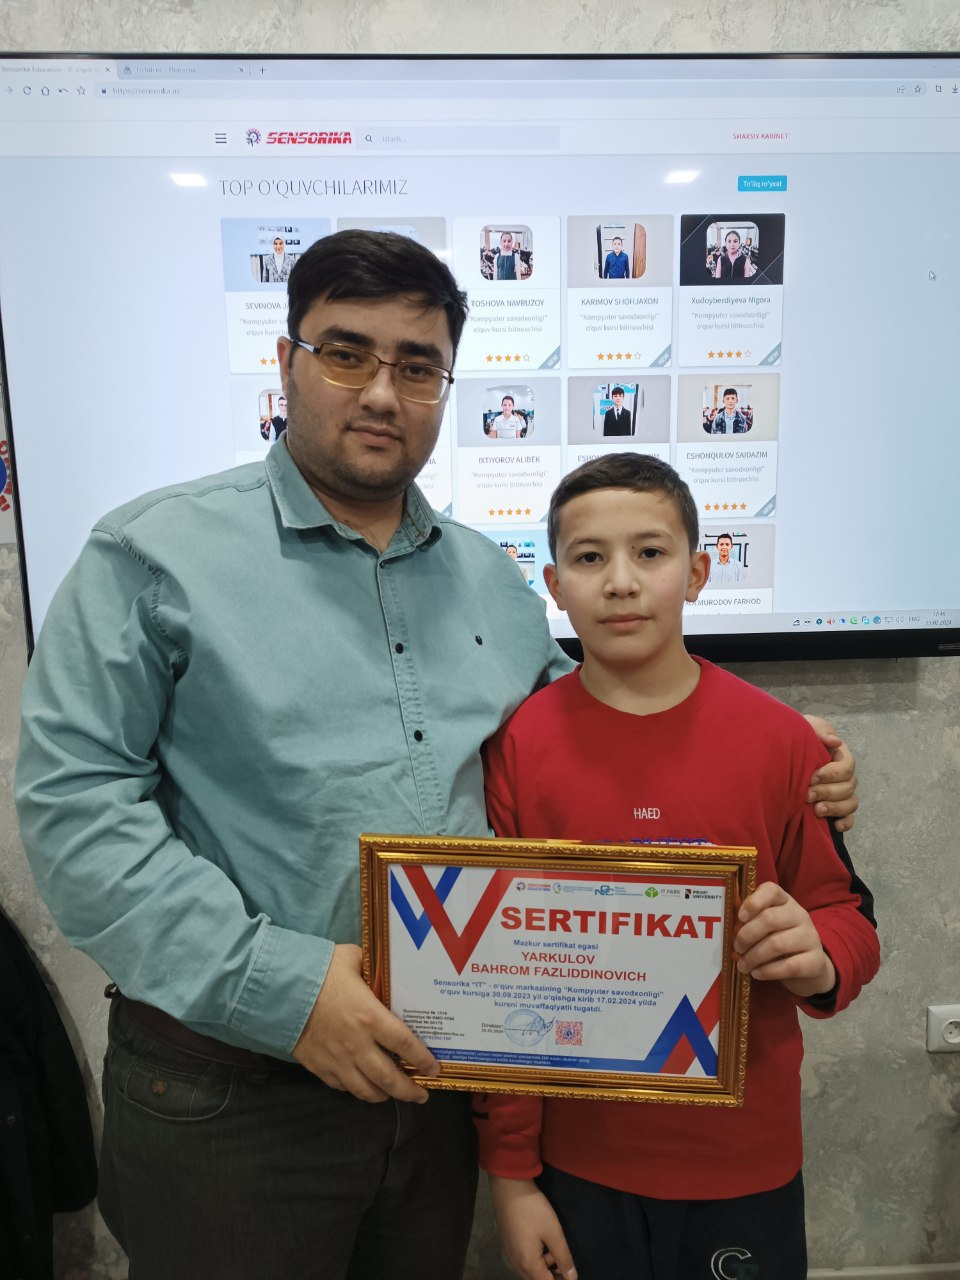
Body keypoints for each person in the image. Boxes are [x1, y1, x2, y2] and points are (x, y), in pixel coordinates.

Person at [15, 233, 858, 1280]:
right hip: (234, 1097)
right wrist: (284, 989)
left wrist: (793, 757)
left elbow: (597, 727)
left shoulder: (491, 580)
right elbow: (76, 809)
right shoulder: (151, 554)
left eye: (417, 365)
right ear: (285, 363)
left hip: (442, 1093)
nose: (382, 392)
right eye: (346, 353)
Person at [475, 453, 879, 1280]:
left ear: (696, 573)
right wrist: (512, 1177)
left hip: (744, 1160)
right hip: (578, 1162)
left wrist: (817, 956)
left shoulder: (784, 742)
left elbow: (848, 918)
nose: (621, 581)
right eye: (590, 557)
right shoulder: (519, 746)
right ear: (554, 586)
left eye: (650, 553)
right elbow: (501, 979)